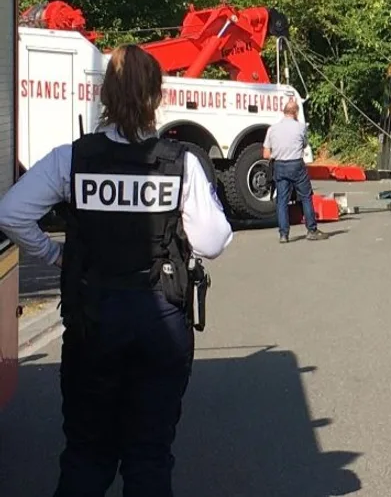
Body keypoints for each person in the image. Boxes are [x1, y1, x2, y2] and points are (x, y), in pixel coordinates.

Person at [0, 45, 235, 496]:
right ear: (156, 96)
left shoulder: (72, 158)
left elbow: (12, 213)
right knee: (148, 457)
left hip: (94, 320)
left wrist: (53, 255)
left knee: (87, 456)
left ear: (105, 95)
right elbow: (212, 240)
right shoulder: (178, 161)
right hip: (160, 324)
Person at [262, 98, 329, 243]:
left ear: (284, 112)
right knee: (305, 196)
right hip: (296, 165)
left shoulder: (272, 129)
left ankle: (283, 234)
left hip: (279, 166)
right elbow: (304, 145)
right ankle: (311, 230)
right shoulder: (301, 127)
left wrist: (277, 154)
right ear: (296, 113)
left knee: (282, 201)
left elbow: (266, 154)